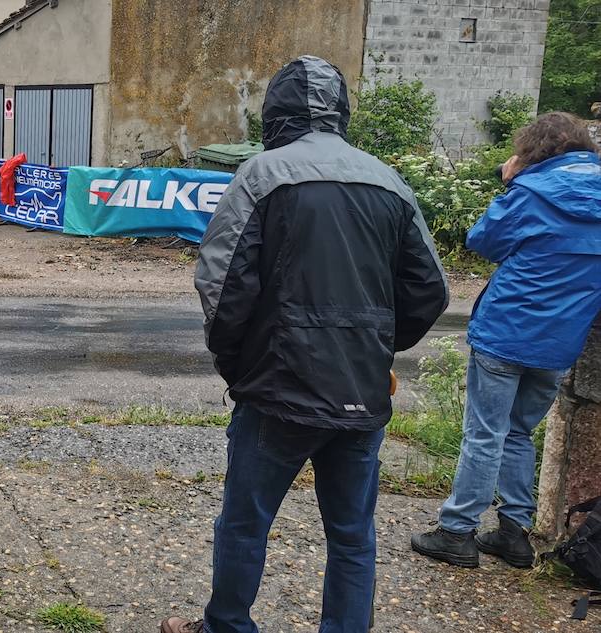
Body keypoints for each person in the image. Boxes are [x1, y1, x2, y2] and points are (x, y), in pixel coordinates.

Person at [165, 56, 449, 633]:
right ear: (342, 113)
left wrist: (237, 366)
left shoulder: (263, 175)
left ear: (276, 113)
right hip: (361, 389)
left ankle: (227, 625)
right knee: (351, 535)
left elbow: (222, 287)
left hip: (277, 387)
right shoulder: (388, 180)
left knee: (245, 522)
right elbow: (429, 289)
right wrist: (374, 347)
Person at [412, 112, 601, 570]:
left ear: (533, 148)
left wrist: (512, 182)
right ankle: (514, 535)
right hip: (560, 343)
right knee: (519, 433)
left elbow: (483, 241)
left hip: (506, 332)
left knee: (484, 435)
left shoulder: (530, 192)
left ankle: (457, 532)